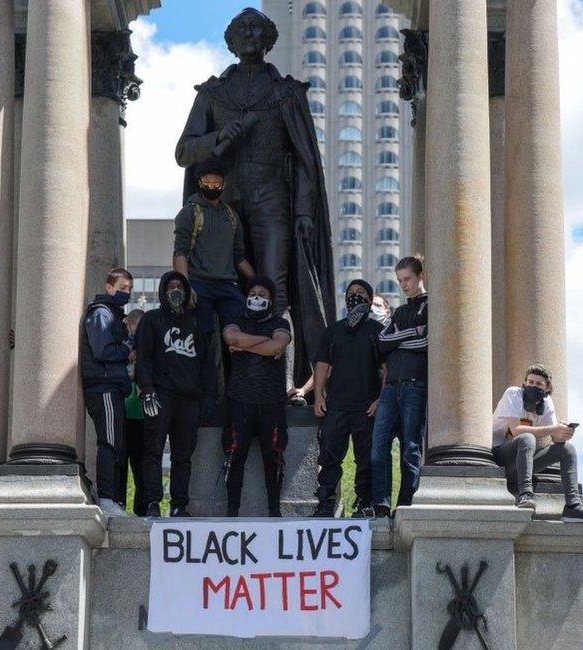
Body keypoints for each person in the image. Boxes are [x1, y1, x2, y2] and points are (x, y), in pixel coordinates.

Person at [176, 8, 335, 388]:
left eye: (257, 28)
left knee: (275, 285)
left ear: (269, 39)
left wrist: (305, 211)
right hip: (224, 203)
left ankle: (282, 383)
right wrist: (220, 136)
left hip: (273, 198)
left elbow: (304, 160)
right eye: (241, 28)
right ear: (230, 41)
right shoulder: (213, 94)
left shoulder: (286, 92)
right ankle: (227, 381)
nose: (249, 33)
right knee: (228, 284)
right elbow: (184, 152)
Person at [136, 271, 217, 517]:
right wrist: (147, 390)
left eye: (179, 287)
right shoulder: (151, 320)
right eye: (170, 286)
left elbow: (207, 365)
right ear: (163, 290)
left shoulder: (195, 324)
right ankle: (152, 503)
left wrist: (209, 397)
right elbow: (143, 359)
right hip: (161, 395)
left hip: (189, 399)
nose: (175, 291)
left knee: (183, 456)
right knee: (153, 451)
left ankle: (179, 505)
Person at [492, 365, 583, 523]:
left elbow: (555, 439)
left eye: (538, 384)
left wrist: (564, 432)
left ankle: (573, 507)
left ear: (547, 388)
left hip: (522, 464)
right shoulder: (513, 393)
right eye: (530, 382)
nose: (533, 386)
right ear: (524, 383)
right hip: (499, 459)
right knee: (527, 437)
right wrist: (553, 429)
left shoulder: (546, 403)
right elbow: (516, 430)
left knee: (567, 449)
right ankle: (526, 495)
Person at [312, 280, 384, 518]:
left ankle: (364, 503)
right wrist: (318, 396)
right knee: (329, 456)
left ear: (370, 299)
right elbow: (322, 365)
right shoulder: (333, 331)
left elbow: (387, 369)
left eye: (361, 293)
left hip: (366, 407)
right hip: (336, 406)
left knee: (365, 458)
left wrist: (380, 400)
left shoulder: (377, 331)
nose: (355, 296)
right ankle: (325, 504)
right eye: (351, 293)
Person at [221, 277, 291, 517]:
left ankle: (274, 511)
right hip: (239, 399)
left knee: (273, 457)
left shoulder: (281, 322)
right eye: (253, 293)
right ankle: (232, 512)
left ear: (270, 300)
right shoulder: (235, 321)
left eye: (262, 293)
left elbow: (277, 347)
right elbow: (231, 338)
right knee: (234, 455)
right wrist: (265, 341)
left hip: (271, 401)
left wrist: (246, 344)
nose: (256, 297)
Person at [370, 257, 428, 518]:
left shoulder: (430, 306)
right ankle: (381, 503)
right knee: (378, 446)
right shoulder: (401, 311)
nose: (403, 285)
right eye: (400, 280)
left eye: (407, 279)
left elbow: (426, 342)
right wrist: (409, 334)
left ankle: (405, 505)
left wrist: (396, 339)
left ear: (420, 276)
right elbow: (381, 342)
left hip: (416, 386)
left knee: (410, 448)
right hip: (391, 388)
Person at [173, 158, 255, 339]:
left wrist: (257, 281)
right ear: (199, 182)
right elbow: (180, 253)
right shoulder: (189, 213)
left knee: (243, 326)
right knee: (202, 337)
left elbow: (239, 257)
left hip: (228, 286)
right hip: (199, 284)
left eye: (216, 183)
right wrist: (186, 286)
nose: (212, 187)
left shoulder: (231, 216)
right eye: (207, 183)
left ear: (224, 183)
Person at [81, 268, 135, 517]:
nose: (127, 293)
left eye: (130, 290)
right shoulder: (102, 314)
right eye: (123, 288)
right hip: (103, 386)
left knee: (116, 444)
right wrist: (127, 350)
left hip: (110, 386)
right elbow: (103, 351)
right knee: (110, 443)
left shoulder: (110, 314)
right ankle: (106, 500)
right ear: (109, 287)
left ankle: (111, 500)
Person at [115, 309, 147, 515]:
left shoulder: (149, 349)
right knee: (119, 466)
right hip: (122, 414)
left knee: (142, 469)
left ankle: (142, 511)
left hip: (143, 416)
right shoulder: (120, 348)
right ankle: (117, 506)